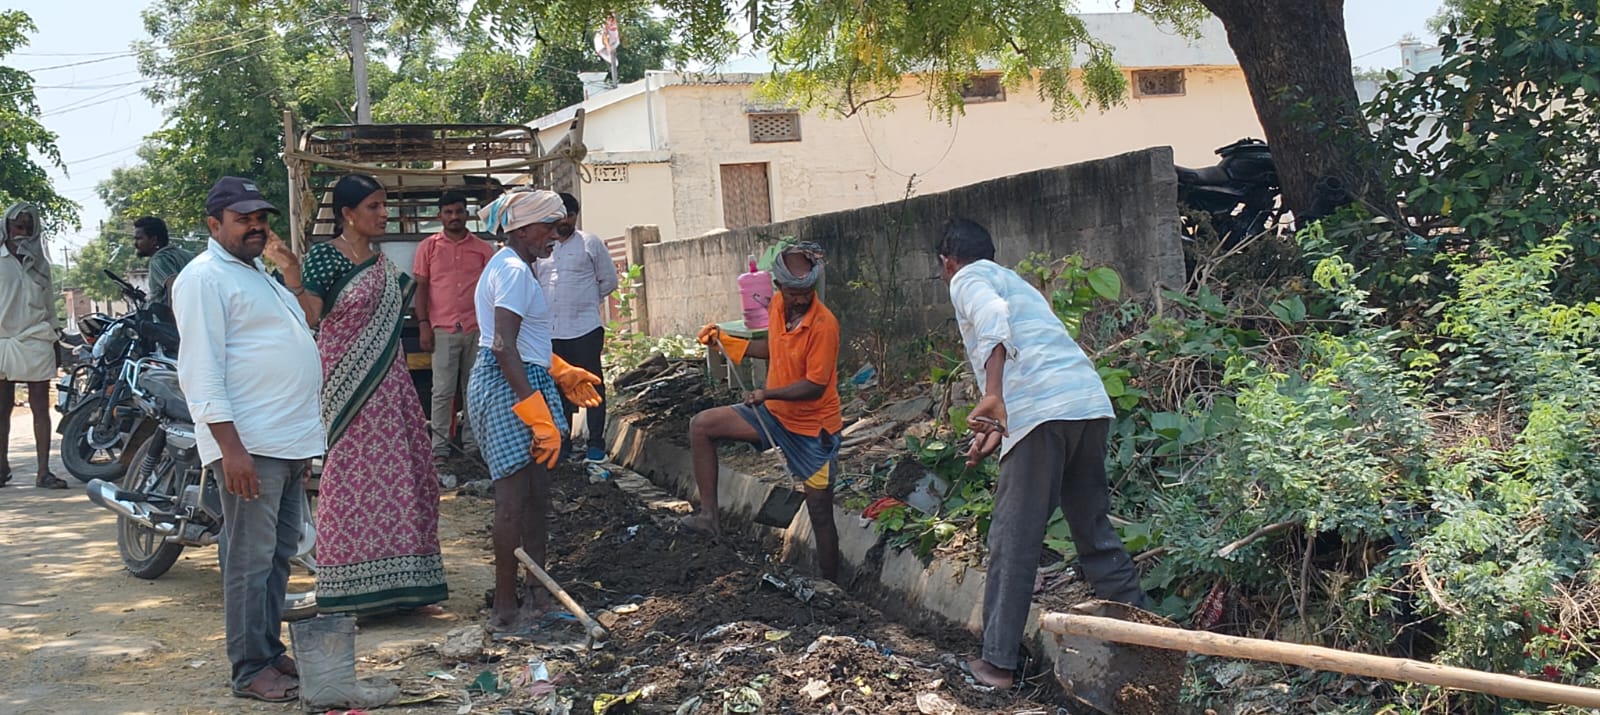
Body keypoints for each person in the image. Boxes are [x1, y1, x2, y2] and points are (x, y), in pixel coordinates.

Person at [935, 218, 1148, 691]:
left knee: (1014, 538)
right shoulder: (1018, 285)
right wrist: (997, 422)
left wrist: (992, 395)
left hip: (1042, 412)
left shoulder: (969, 279)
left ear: (947, 261)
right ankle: (1151, 644)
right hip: (1085, 405)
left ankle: (997, 665)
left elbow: (990, 319)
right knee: (1093, 530)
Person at [268, 174, 448, 617]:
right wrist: (291, 271)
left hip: (392, 390)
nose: (383, 214)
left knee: (403, 477)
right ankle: (351, 586)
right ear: (348, 214)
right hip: (349, 389)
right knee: (352, 482)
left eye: (384, 205)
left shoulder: (381, 261)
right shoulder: (326, 259)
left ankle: (405, 586)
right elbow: (312, 316)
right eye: (374, 206)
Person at [173, 177, 325, 702]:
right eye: (243, 219)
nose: (256, 225)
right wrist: (230, 449)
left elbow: (306, 325)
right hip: (250, 445)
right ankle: (248, 667)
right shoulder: (204, 278)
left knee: (279, 554)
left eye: (260, 216)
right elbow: (200, 370)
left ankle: (265, 648)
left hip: (283, 443)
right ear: (215, 226)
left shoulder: (254, 273)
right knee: (249, 559)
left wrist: (302, 445)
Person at [465, 189, 601, 635]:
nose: (556, 238)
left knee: (537, 496)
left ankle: (537, 596)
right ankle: (505, 609)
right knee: (513, 502)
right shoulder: (513, 272)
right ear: (523, 229)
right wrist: (536, 412)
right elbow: (502, 347)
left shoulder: (517, 268)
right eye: (550, 228)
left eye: (561, 229)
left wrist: (559, 370)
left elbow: (520, 343)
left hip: (524, 379)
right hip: (509, 387)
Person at [682, 242, 842, 582]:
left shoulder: (824, 324)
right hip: (774, 414)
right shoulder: (778, 307)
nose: (801, 298)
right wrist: (727, 342)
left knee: (820, 512)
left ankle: (834, 586)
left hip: (814, 430)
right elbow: (774, 347)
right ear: (779, 287)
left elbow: (815, 384)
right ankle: (708, 517)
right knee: (701, 426)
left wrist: (766, 393)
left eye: (806, 291)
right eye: (794, 291)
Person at [412, 191, 494, 477]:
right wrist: (423, 324)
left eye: (459, 211)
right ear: (440, 216)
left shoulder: (484, 249)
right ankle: (440, 450)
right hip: (442, 329)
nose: (454, 217)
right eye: (448, 212)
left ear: (467, 213)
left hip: (477, 329)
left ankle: (474, 447)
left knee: (475, 390)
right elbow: (421, 288)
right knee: (442, 392)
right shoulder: (429, 247)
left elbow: (491, 291)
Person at [533, 192, 618, 464]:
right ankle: (564, 443)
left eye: (570, 216)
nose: (565, 221)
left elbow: (609, 281)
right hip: (551, 331)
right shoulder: (542, 248)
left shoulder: (589, 243)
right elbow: (536, 284)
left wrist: (586, 301)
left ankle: (595, 444)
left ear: (575, 217)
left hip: (585, 328)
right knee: (559, 389)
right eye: (560, 216)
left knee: (592, 385)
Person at [0, 202, 65, 489]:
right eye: (17, 225)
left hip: (37, 337)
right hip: (3, 340)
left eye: (28, 226)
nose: (22, 231)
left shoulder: (40, 264)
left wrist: (56, 339)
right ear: (6, 227)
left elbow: (49, 306)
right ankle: (1, 467)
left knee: (41, 406)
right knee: (2, 408)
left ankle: (43, 472)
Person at [132, 215, 194, 306]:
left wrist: (173, 317)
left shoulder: (158, 260)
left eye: (139, 239)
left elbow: (173, 285)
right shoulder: (186, 254)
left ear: (154, 240)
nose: (135, 244)